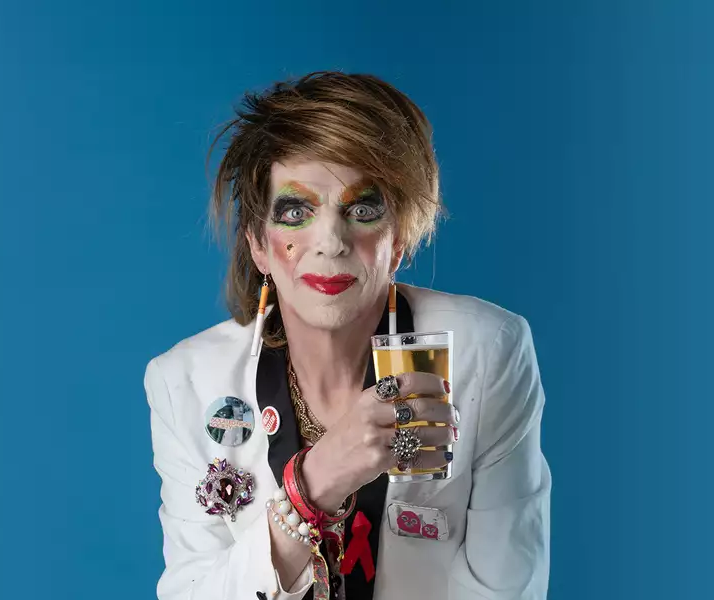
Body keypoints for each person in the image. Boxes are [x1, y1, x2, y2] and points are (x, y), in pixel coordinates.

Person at [143, 71, 551, 600]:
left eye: (361, 209)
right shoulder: (186, 383)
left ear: (399, 238)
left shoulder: (487, 351)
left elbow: (507, 588)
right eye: (295, 211)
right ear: (259, 246)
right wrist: (313, 487)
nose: (331, 241)